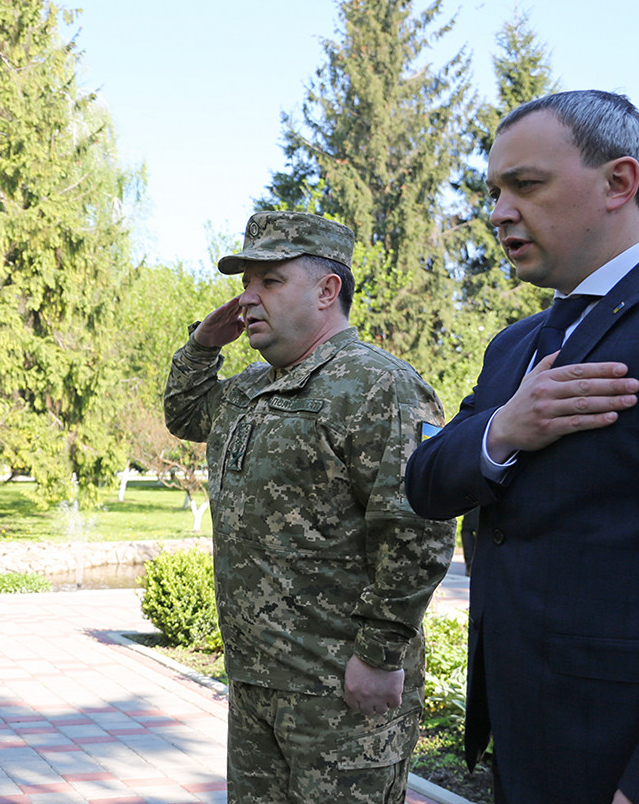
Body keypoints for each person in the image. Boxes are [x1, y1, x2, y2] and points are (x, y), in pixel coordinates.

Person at [405, 90, 639, 804]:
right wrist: (506, 429)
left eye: (525, 185)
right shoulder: (517, 346)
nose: (499, 211)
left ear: (618, 183)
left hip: (629, 760)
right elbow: (426, 479)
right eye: (494, 191)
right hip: (527, 743)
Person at [164, 211, 453, 804]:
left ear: (328, 290)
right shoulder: (248, 387)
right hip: (253, 682)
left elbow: (417, 529)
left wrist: (378, 655)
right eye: (246, 282)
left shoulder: (379, 385)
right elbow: (183, 414)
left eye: (269, 281)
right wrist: (201, 344)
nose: (248, 298)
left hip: (340, 691)